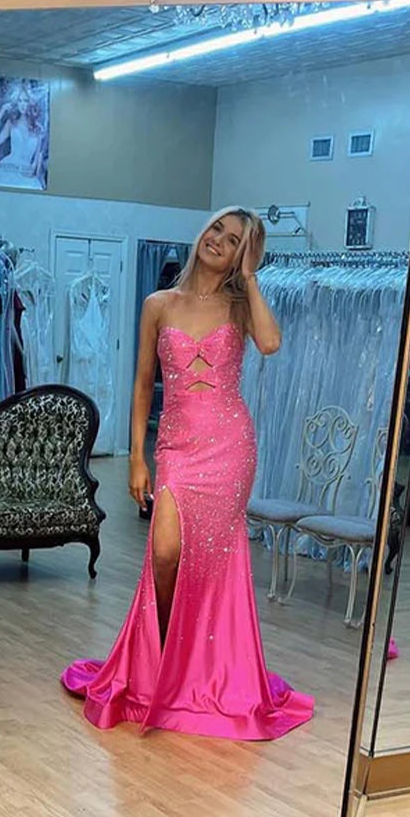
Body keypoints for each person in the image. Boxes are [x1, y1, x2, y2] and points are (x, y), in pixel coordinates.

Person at [62, 208, 314, 740]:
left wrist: (249, 277)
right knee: (165, 553)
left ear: (243, 254)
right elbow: (142, 383)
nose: (219, 241)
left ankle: (199, 673)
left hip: (230, 447)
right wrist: (137, 456)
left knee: (214, 562)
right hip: (176, 448)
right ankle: (162, 663)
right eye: (216, 230)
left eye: (234, 240)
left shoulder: (240, 308)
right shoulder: (159, 305)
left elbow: (271, 343)